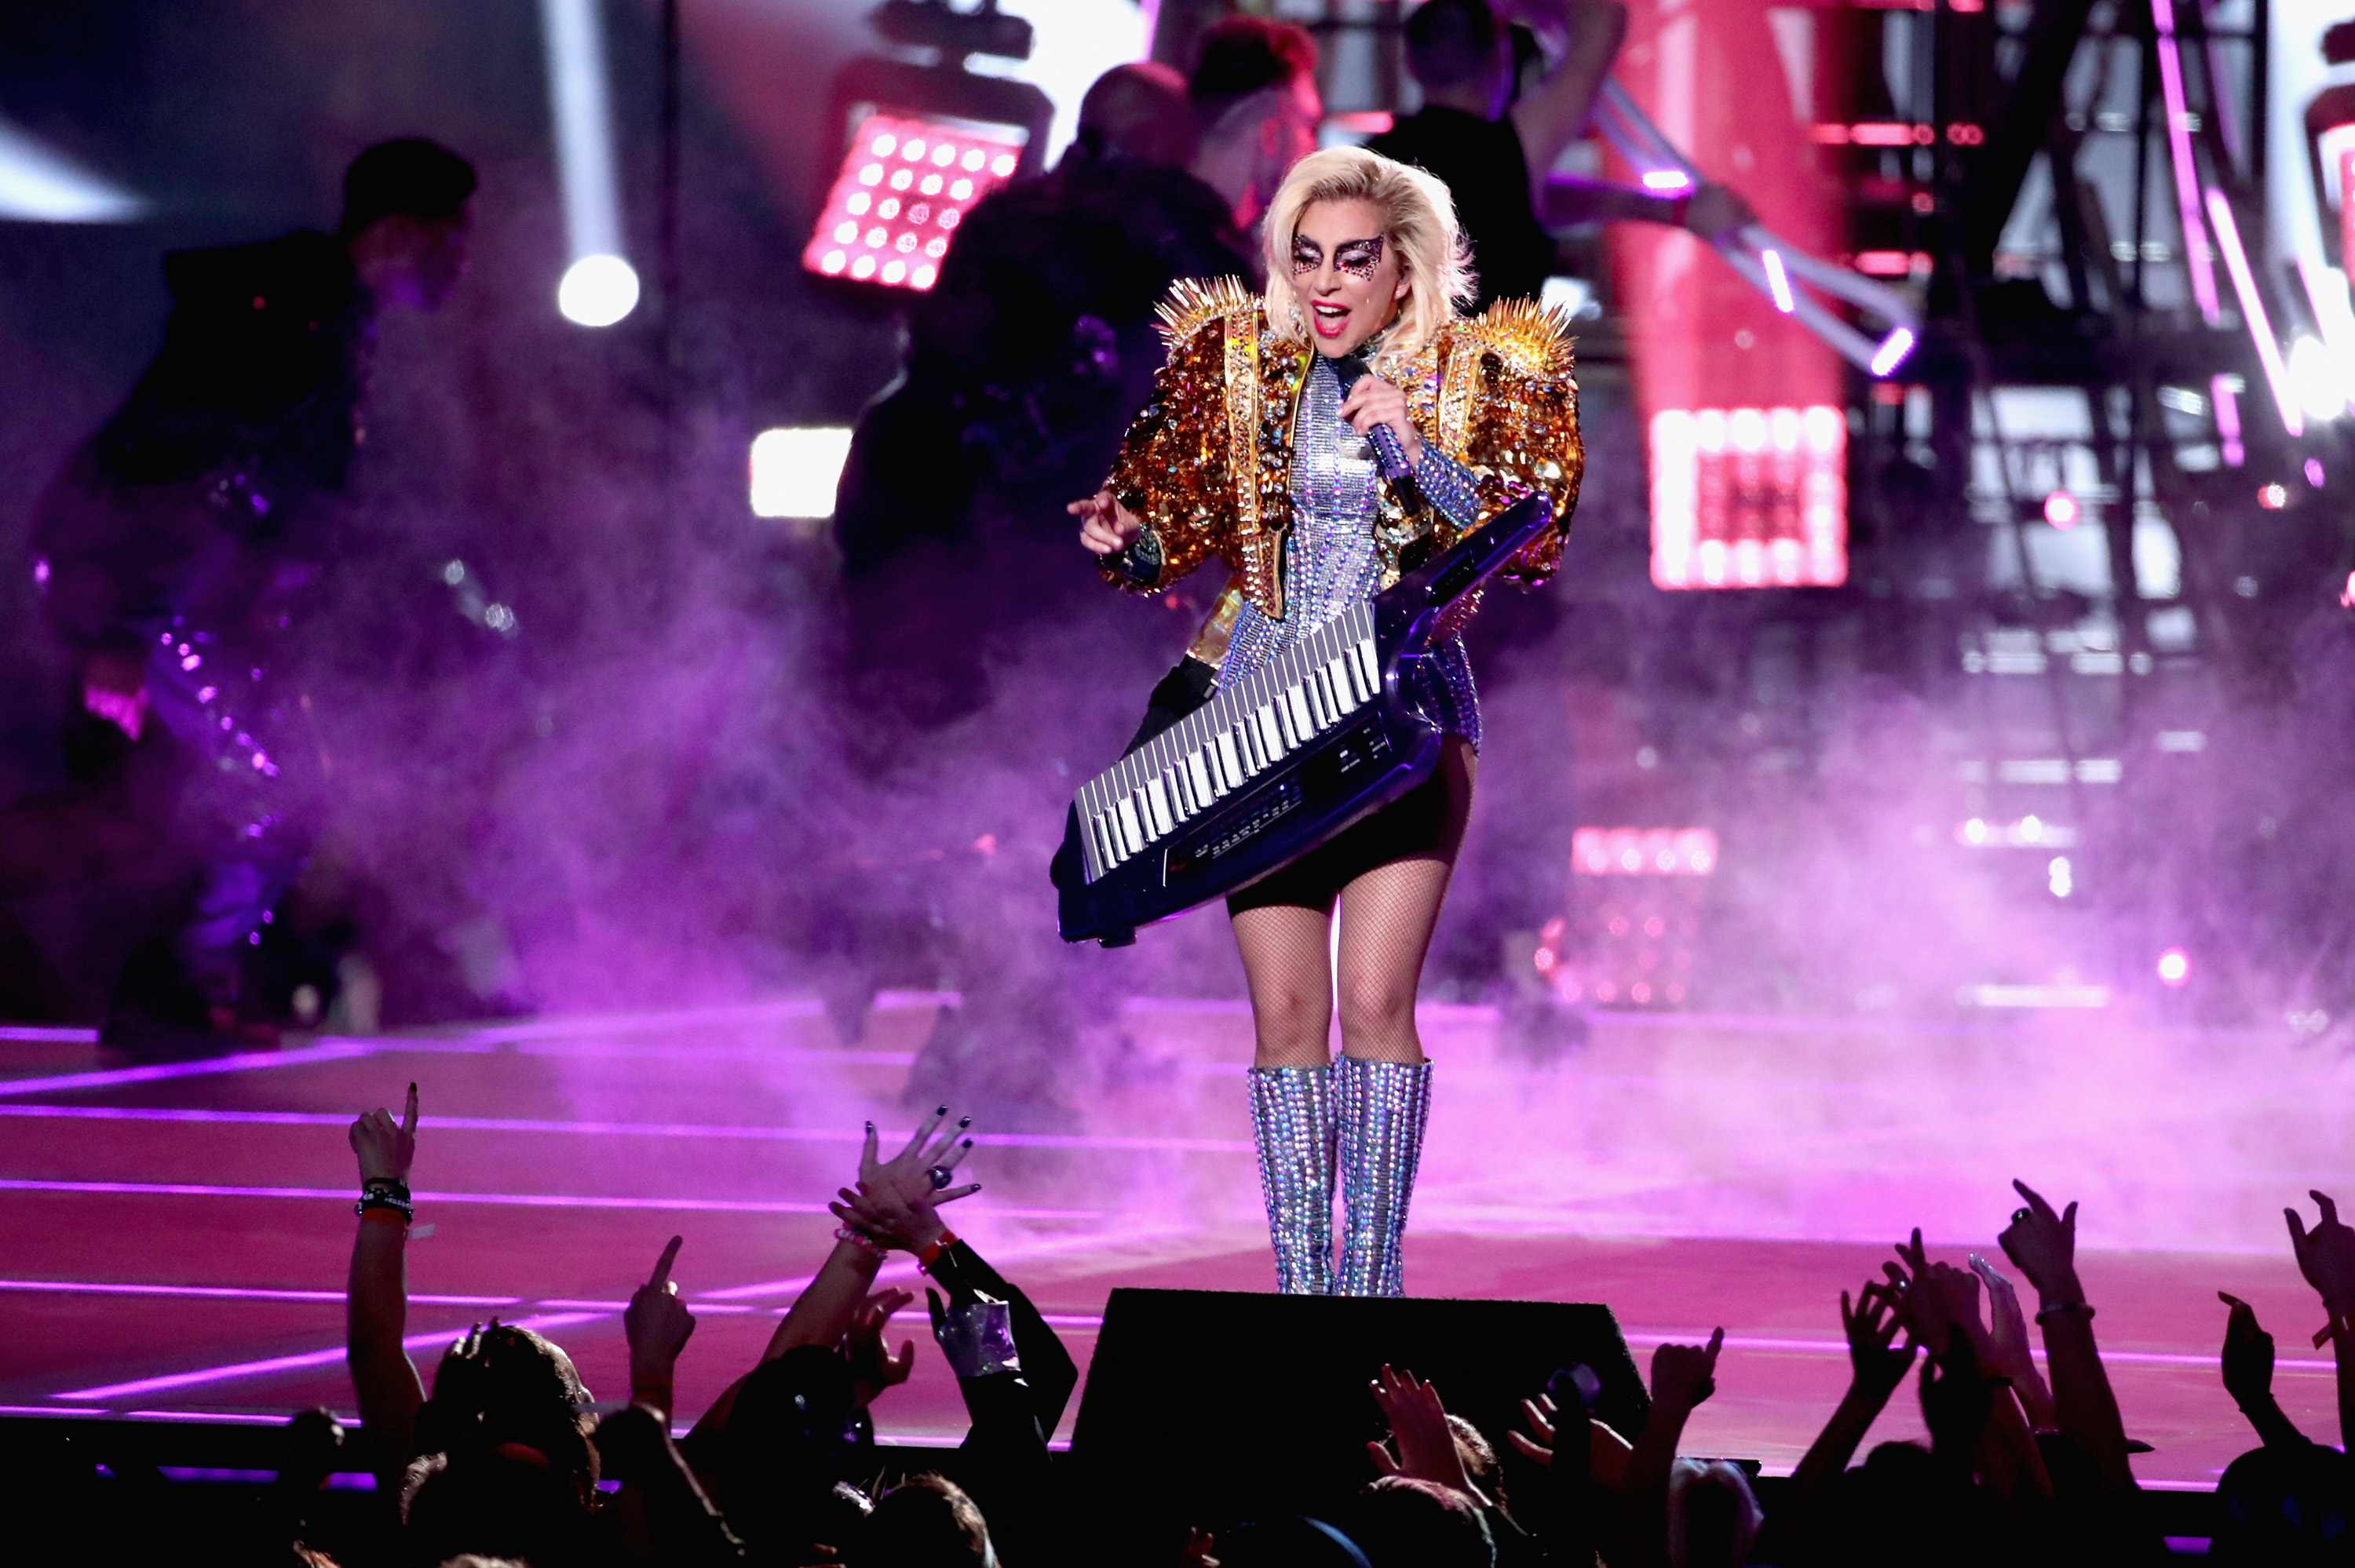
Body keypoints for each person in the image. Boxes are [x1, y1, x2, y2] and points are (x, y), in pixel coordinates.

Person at [1070, 147, 1583, 1296]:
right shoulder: (1244, 371)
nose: (1327, 282)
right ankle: (1305, 1285)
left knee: (1375, 1005)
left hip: (1406, 722)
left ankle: (1372, 1283)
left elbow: (1527, 533)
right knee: (1289, 1014)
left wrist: (1409, 439)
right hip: (1265, 725)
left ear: (1405, 269)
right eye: (1306, 257)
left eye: (1353, 258)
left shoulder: (1484, 371)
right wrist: (1128, 538)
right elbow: (1177, 530)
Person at [22, 137, 475, 1053]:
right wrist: (126, 629)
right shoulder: (291, 322)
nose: (464, 258)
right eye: (451, 235)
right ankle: (173, 986)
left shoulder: (327, 321)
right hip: (150, 592)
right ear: (397, 231)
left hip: (173, 597)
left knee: (180, 806)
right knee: (273, 787)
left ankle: (182, 986)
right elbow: (184, 469)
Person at [1367, 0, 1751, 312]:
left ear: (1411, 64)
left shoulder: (1372, 165)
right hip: (1483, 396)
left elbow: (1524, 203)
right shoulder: (1506, 149)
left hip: (1388, 394)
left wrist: (1676, 211)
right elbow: (1605, 18)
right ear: (1500, 61)